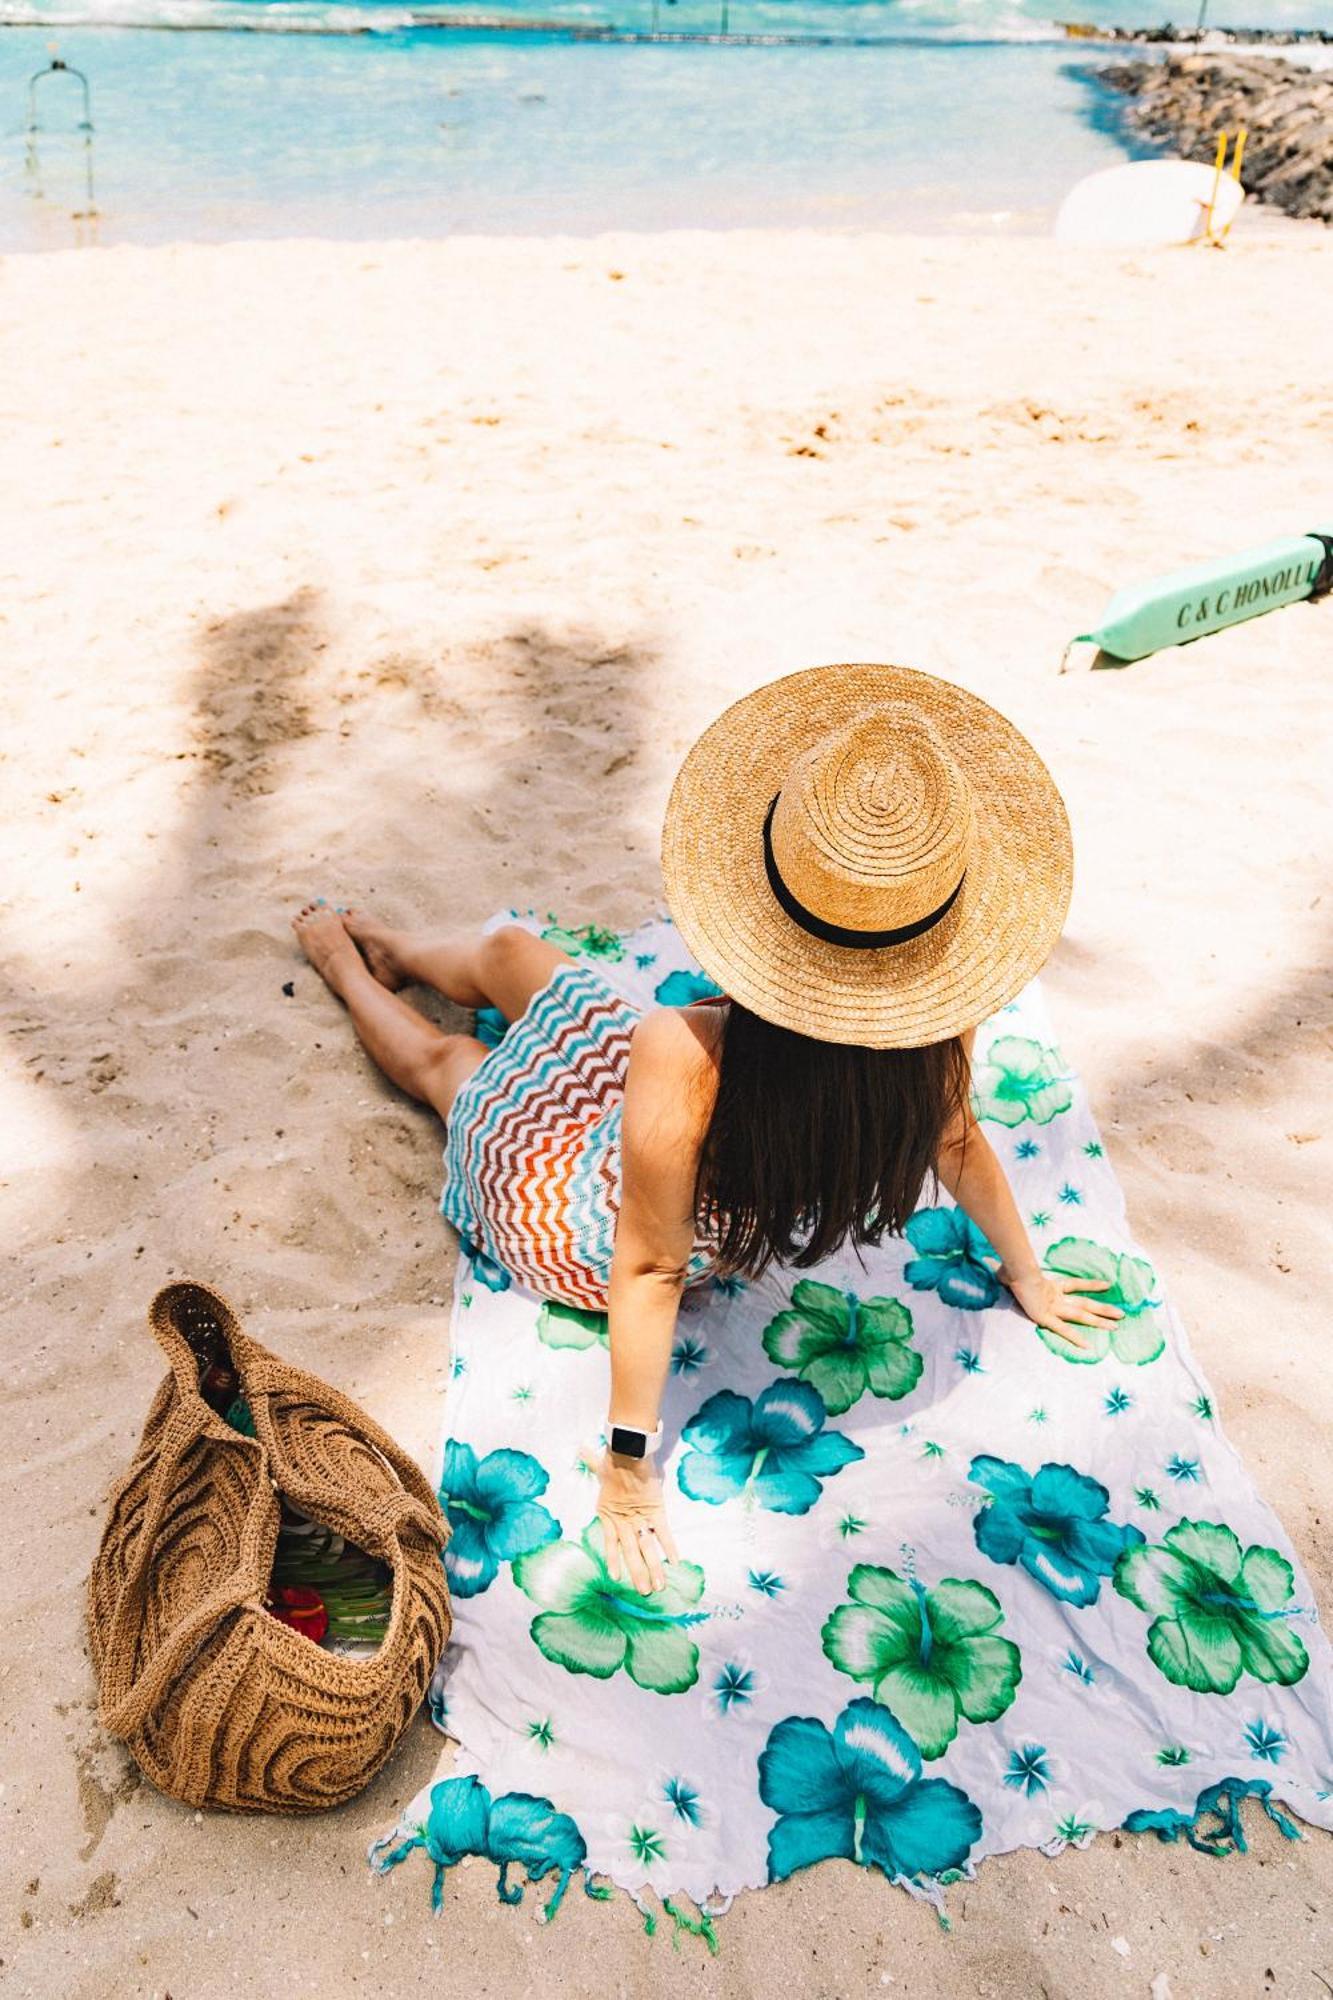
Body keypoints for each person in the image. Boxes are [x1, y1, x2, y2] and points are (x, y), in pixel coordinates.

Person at [292, 663, 1122, 1600]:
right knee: (511, 952)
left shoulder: (684, 1047)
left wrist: (625, 1468)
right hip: (681, 1132)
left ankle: (350, 974)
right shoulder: (927, 1024)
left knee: (453, 1068)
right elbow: (957, 1137)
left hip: (593, 1225)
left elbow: (648, 1268)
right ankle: (401, 950)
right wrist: (1027, 1270)